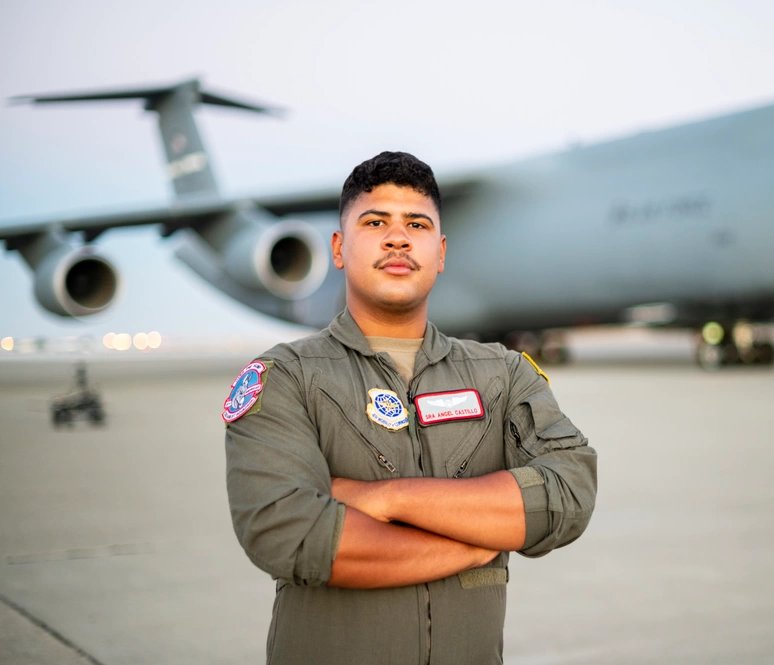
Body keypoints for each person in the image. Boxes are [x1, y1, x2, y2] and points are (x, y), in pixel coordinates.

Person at [223, 151, 597, 664]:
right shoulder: (286, 378)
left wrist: (391, 499)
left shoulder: (501, 373)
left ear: (440, 252)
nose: (397, 237)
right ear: (338, 247)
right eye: (374, 222)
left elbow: (569, 492)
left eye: (416, 224)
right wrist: (476, 543)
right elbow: (287, 533)